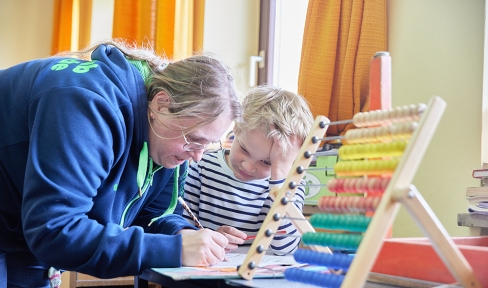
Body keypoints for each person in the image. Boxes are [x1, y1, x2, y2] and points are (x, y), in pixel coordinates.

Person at [0, 39, 242, 287]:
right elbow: (55, 230)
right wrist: (174, 250)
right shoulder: (88, 104)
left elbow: (153, 215)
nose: (197, 155)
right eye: (193, 140)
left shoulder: (169, 138)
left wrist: (181, 234)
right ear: (161, 104)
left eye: (207, 145)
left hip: (21, 228)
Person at [182, 85, 314, 255]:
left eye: (267, 162)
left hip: (261, 279)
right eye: (244, 149)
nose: (248, 166)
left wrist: (280, 174)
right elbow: (182, 231)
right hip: (206, 275)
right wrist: (209, 238)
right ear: (236, 129)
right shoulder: (201, 167)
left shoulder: (290, 186)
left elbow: (284, 249)